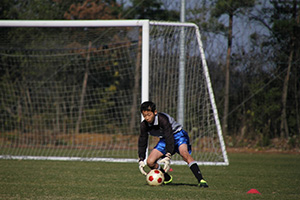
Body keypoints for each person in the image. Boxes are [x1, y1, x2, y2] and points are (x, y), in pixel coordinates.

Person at [138, 101, 208, 187]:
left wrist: (168, 155)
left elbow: (169, 135)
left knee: (184, 154)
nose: (147, 118)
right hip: (165, 139)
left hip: (178, 136)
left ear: (155, 112)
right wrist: (141, 159)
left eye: (149, 115)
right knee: (150, 162)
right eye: (144, 115)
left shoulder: (162, 119)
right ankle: (167, 178)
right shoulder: (144, 125)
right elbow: (142, 141)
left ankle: (201, 179)